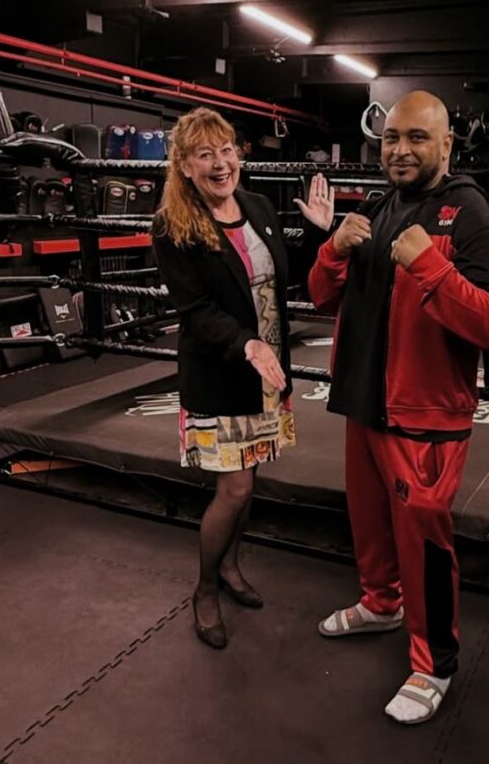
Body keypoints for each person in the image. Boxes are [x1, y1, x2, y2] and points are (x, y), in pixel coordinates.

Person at [308, 90, 489, 723]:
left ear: (446, 145)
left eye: (417, 138)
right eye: (392, 138)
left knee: (423, 543)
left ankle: (434, 663)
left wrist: (429, 266)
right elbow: (319, 297)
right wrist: (332, 250)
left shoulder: (469, 212)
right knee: (369, 524)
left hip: (424, 415)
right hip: (364, 399)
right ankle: (381, 603)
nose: (400, 150)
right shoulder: (377, 205)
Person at [153, 107, 334, 650]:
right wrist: (246, 344)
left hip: (266, 372)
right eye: (205, 154)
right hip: (223, 370)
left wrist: (316, 234)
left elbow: (286, 277)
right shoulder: (174, 225)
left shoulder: (256, 206)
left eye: (227, 150)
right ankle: (205, 589)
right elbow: (195, 311)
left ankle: (230, 567)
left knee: (248, 479)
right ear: (185, 165)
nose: (220, 163)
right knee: (234, 488)